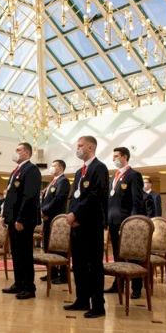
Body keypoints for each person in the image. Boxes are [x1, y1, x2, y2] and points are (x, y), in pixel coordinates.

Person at [63, 136, 109, 318]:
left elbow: (95, 196)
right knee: (79, 265)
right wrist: (71, 213)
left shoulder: (99, 168)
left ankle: (98, 305)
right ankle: (82, 299)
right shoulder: (79, 172)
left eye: (81, 145)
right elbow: (74, 196)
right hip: (77, 225)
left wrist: (76, 214)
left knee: (94, 266)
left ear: (91, 147)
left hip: (91, 224)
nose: (78, 148)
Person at [2, 143, 41, 300]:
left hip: (23, 219)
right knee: (16, 253)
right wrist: (6, 216)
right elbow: (10, 196)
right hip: (13, 218)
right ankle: (18, 283)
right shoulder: (16, 171)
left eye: (18, 150)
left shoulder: (31, 170)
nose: (15, 152)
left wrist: (21, 218)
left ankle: (29, 287)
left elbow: (29, 196)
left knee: (25, 253)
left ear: (26, 153)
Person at [106, 147, 146, 298]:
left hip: (127, 222)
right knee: (117, 254)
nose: (113, 159)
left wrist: (132, 223)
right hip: (113, 221)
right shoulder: (113, 177)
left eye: (116, 156)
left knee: (132, 255)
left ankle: (136, 287)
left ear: (125, 157)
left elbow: (137, 201)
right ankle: (118, 284)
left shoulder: (133, 175)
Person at [40, 159, 70, 284]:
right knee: (48, 245)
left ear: (61, 167)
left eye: (54, 165)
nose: (51, 167)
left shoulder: (63, 181)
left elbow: (58, 199)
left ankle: (63, 275)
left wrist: (44, 211)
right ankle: (52, 272)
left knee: (60, 247)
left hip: (56, 219)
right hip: (48, 219)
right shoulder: (53, 181)